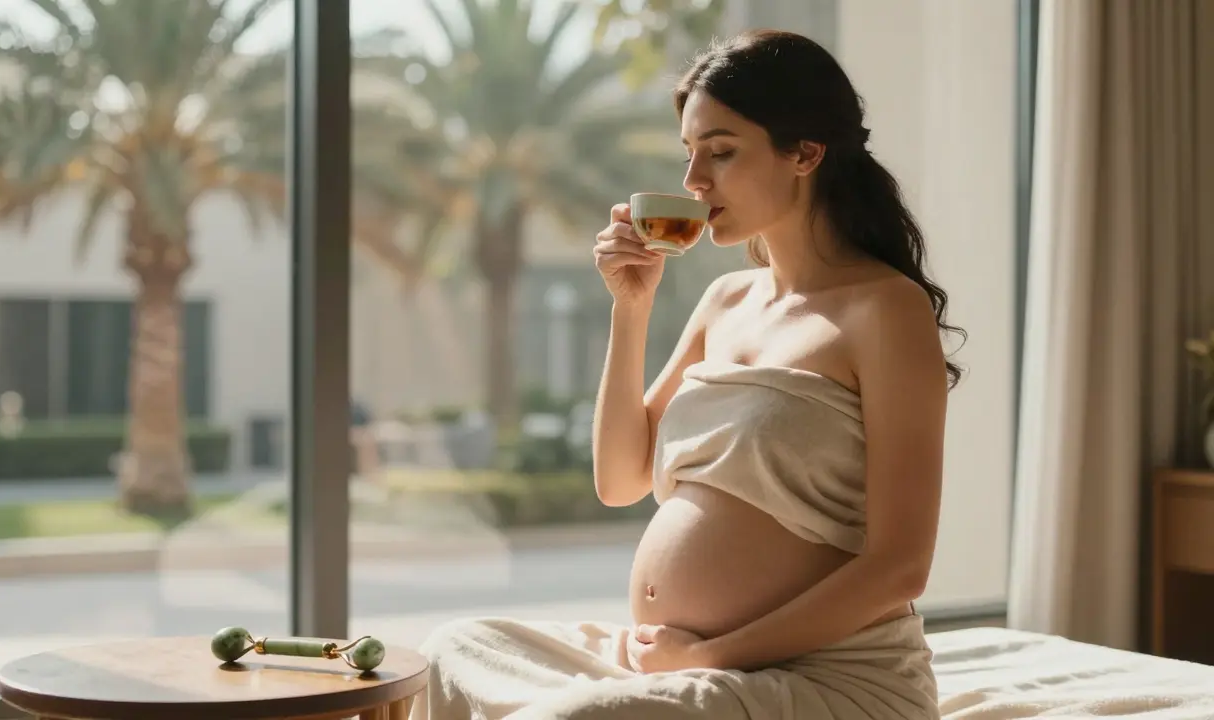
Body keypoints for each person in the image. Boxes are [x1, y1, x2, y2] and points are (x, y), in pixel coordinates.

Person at [411, 29, 962, 720]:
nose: (694, 182)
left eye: (721, 152)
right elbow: (620, 480)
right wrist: (631, 308)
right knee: (457, 647)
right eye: (690, 154)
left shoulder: (883, 310)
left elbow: (900, 567)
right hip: (677, 658)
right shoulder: (725, 301)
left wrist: (704, 658)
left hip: (825, 676)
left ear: (806, 153)